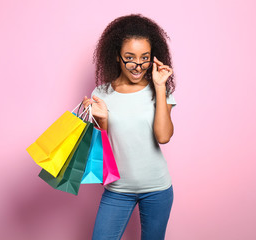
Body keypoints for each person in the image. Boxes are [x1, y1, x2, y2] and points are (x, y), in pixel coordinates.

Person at [82, 14, 176, 240]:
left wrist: (160, 87)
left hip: (157, 189)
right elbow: (101, 148)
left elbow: (163, 136)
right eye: (130, 57)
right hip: (118, 190)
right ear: (116, 56)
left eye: (145, 57)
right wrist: (100, 121)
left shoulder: (159, 91)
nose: (138, 65)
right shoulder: (101, 94)